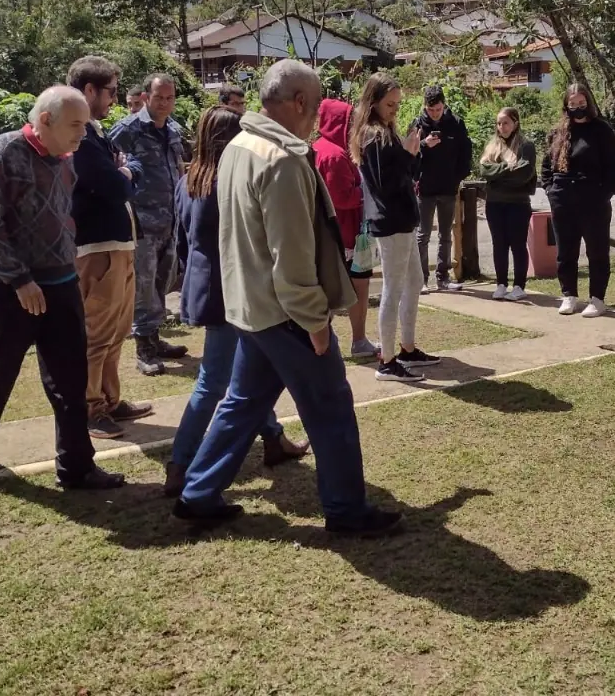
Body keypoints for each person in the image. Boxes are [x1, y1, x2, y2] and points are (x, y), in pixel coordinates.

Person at [173, 61, 403, 538]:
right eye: (316, 104)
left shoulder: (239, 145)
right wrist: (316, 322)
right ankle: (346, 510)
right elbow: (292, 255)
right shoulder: (278, 160)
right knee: (330, 405)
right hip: (286, 313)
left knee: (243, 401)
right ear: (299, 102)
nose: (319, 114)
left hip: (252, 307)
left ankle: (197, 494)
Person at [0, 86, 125, 490]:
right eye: (76, 125)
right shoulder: (5, 153)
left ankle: (77, 466)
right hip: (18, 289)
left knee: (70, 378)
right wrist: (19, 279)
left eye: (85, 124)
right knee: (1, 372)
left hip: (62, 281)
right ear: (45, 120)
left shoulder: (65, 158)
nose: (83, 133)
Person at [164, 106, 309, 497]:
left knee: (250, 371)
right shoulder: (225, 182)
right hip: (231, 289)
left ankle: (274, 439)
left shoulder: (188, 180)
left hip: (205, 286)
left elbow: (182, 240)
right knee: (215, 381)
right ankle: (180, 464)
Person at [66, 56, 154, 440]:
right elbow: (117, 184)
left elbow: (129, 170)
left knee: (117, 329)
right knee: (97, 331)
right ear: (89, 90)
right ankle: (90, 408)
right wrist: (125, 172)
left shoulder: (94, 130)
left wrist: (125, 170)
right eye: (111, 92)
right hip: (97, 248)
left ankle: (110, 398)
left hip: (118, 244)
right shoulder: (79, 136)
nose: (116, 100)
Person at [353, 73, 442, 383]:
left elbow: (406, 173)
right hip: (391, 221)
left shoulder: (385, 131)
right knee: (393, 289)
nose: (395, 109)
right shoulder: (371, 135)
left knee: (414, 281)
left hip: (403, 217)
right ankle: (387, 360)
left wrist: (414, 153)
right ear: (373, 101)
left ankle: (406, 348)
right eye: (390, 104)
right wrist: (408, 154)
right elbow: (386, 183)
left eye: (398, 104)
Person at [109, 74, 189, 375]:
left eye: (169, 98)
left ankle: (155, 338)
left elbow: (178, 168)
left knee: (162, 281)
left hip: (169, 219)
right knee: (142, 284)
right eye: (159, 98)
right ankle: (144, 347)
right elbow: (109, 164)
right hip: (141, 221)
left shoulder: (173, 129)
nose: (164, 103)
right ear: (146, 97)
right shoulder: (128, 129)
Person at [541, 82, 615, 318]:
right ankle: (569, 295)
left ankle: (597, 298)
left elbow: (613, 170)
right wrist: (550, 190)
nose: (578, 107)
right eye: (573, 103)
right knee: (566, 252)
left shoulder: (602, 130)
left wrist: (603, 194)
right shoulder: (559, 133)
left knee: (597, 251)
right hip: (563, 199)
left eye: (581, 102)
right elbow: (546, 166)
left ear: (588, 101)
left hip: (593, 201)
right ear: (566, 105)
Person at [313, 96, 379, 357]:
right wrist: (368, 191)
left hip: (336, 234)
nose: (354, 126)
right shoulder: (335, 155)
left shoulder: (320, 147)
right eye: (350, 121)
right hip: (348, 235)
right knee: (358, 288)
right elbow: (343, 197)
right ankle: (358, 340)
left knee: (331, 290)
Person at [412, 85, 473, 293]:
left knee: (446, 234)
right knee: (423, 235)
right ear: (424, 107)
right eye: (431, 110)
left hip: (448, 189)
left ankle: (443, 277)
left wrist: (457, 179)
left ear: (444, 105)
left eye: (438, 109)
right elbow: (408, 156)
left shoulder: (456, 124)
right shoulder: (417, 125)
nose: (435, 114)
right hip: (425, 189)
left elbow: (466, 155)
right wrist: (423, 145)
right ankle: (421, 279)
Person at [480, 106, 537, 301]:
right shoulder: (491, 146)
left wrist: (497, 175)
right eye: (499, 123)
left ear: (515, 123)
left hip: (518, 204)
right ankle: (501, 284)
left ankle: (519, 285)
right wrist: (508, 168)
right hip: (494, 204)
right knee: (499, 244)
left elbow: (523, 175)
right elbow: (484, 171)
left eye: (505, 123)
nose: (501, 127)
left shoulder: (526, 146)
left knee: (518, 245)